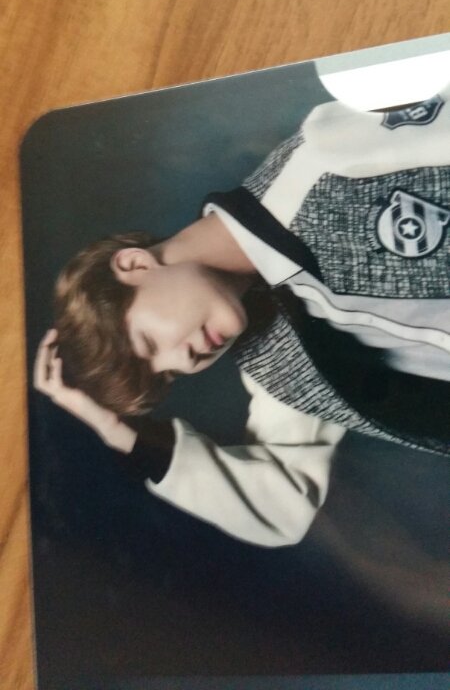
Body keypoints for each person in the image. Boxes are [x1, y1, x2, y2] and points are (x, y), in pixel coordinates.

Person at [34, 87, 450, 548]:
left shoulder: (326, 154)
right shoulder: (277, 367)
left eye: (150, 343)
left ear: (134, 265)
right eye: (170, 374)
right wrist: (116, 431)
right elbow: (283, 508)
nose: (185, 360)